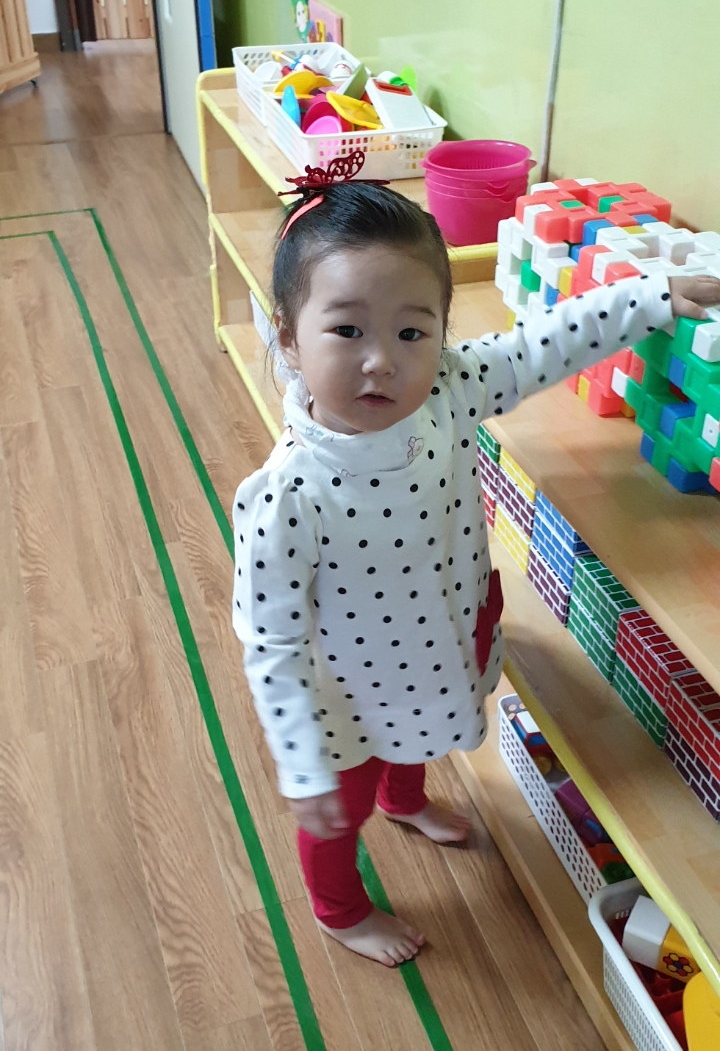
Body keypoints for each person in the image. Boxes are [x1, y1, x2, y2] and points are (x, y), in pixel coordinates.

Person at [233, 174, 720, 967]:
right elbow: (270, 642)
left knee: (423, 729)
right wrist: (301, 761)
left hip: (441, 636)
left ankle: (405, 798)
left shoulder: (450, 386)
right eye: (347, 329)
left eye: (412, 331)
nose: (381, 361)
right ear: (289, 338)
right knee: (338, 811)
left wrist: (653, 297)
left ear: (442, 331)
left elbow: (545, 343)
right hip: (345, 699)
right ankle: (340, 909)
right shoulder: (287, 494)